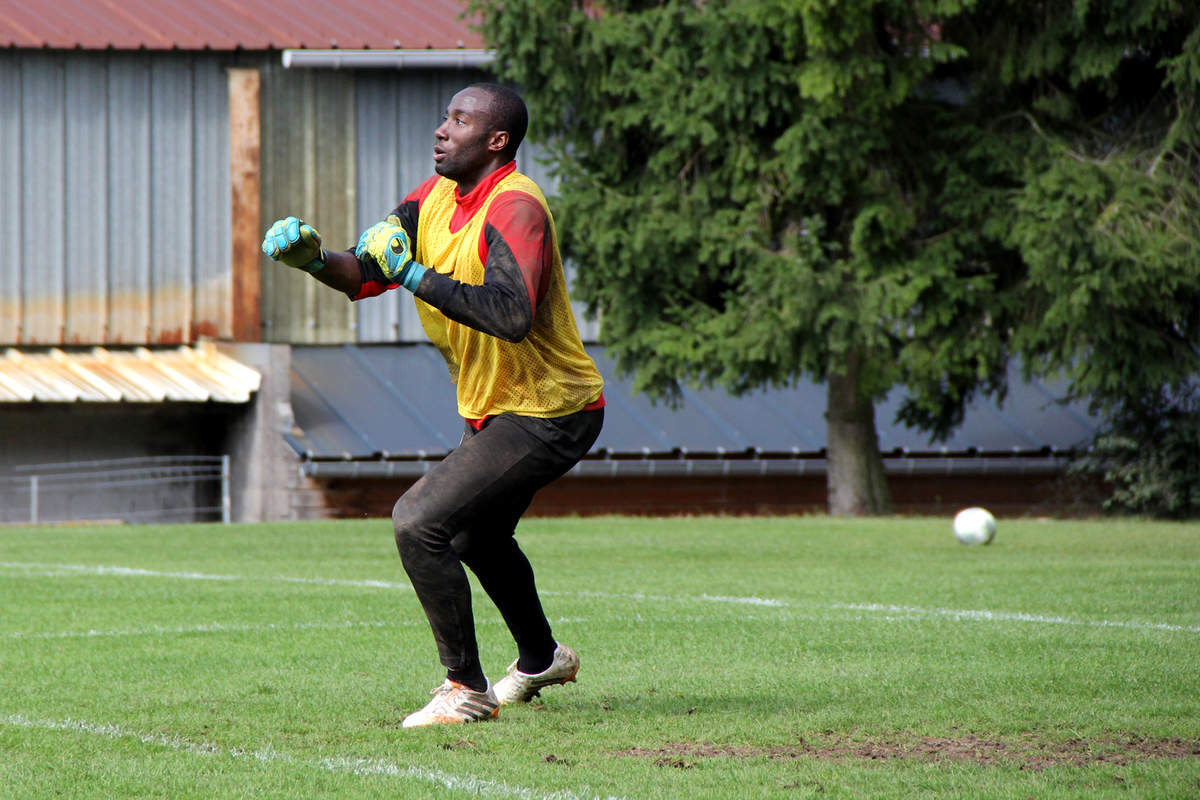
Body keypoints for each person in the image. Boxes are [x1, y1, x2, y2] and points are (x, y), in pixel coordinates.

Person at [261, 84, 605, 728]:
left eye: (460, 119)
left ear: (496, 141)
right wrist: (313, 259)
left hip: (552, 407)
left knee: (419, 521)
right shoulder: (432, 196)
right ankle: (540, 658)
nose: (443, 129)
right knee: (476, 533)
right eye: (446, 116)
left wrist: (414, 274)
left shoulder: (516, 207)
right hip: (498, 406)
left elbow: (511, 315)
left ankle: (465, 687)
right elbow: (367, 271)